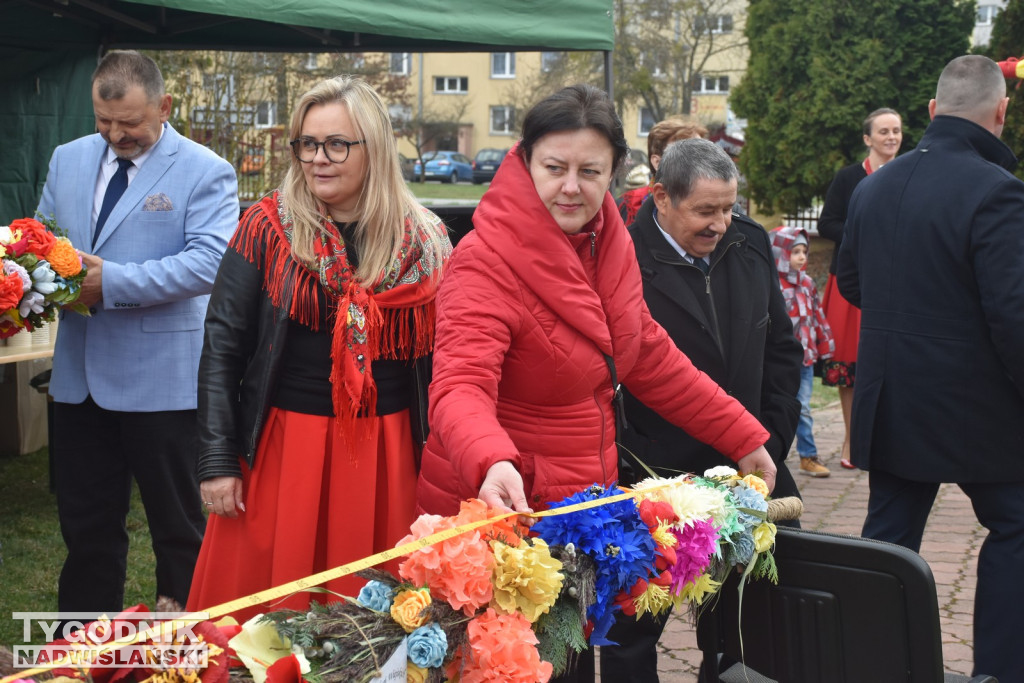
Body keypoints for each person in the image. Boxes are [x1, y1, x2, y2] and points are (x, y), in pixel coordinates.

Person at [416, 84, 776, 683]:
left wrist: (741, 434)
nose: (570, 187)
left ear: (615, 174)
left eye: (590, 171)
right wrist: (488, 458)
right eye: (554, 168)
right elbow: (459, 386)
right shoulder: (484, 260)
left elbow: (649, 356)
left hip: (583, 505)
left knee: (573, 660)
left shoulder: (608, 242)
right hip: (503, 508)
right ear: (524, 160)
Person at [187, 76, 451, 621]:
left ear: (373, 148)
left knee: (377, 622)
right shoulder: (265, 229)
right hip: (286, 451)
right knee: (267, 621)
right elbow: (221, 348)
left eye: (336, 144)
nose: (317, 159)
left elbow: (447, 361)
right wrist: (217, 459)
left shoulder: (425, 242)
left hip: (390, 454)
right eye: (307, 144)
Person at [837, 55, 1024, 682]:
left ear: (930, 112)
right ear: (1001, 112)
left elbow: (852, 282)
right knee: (1017, 529)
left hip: (894, 400)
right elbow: (1013, 315)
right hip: (980, 410)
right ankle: (998, 671)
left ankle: (868, 667)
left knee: (887, 546)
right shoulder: (998, 190)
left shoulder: (874, 185)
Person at [34, 50, 238, 614]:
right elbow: (44, 241)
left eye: (129, 123)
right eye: (104, 122)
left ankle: (187, 654)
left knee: (178, 529)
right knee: (87, 529)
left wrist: (112, 283)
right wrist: (29, 283)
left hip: (162, 385)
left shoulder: (206, 169)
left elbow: (209, 264)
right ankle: (80, 651)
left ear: (165, 106)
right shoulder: (67, 158)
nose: (115, 135)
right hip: (79, 381)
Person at [599, 138, 804, 682]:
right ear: (662, 197)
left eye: (729, 208)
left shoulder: (751, 244)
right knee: (633, 635)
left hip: (752, 472)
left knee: (752, 631)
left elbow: (782, 352)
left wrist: (770, 441)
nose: (721, 224)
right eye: (705, 210)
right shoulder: (620, 256)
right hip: (657, 483)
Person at [817, 107, 902, 469]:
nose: (891, 137)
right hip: (850, 281)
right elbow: (827, 223)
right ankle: (851, 442)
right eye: (883, 131)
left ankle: (890, 442)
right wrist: (862, 236)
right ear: (868, 138)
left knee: (895, 367)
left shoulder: (909, 174)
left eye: (896, 131)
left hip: (897, 282)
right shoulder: (848, 177)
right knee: (849, 369)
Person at [770, 226, 835, 476]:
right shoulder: (774, 285)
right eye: (794, 252)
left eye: (804, 252)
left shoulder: (807, 283)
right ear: (779, 253)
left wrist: (825, 344)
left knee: (803, 408)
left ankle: (808, 456)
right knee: (778, 407)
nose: (801, 257)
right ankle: (773, 456)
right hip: (781, 362)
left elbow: (817, 316)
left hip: (805, 360)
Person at [617, 116, 707, 226]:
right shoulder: (626, 209)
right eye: (687, 154)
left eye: (704, 153)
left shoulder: (719, 206)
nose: (700, 162)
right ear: (658, 162)